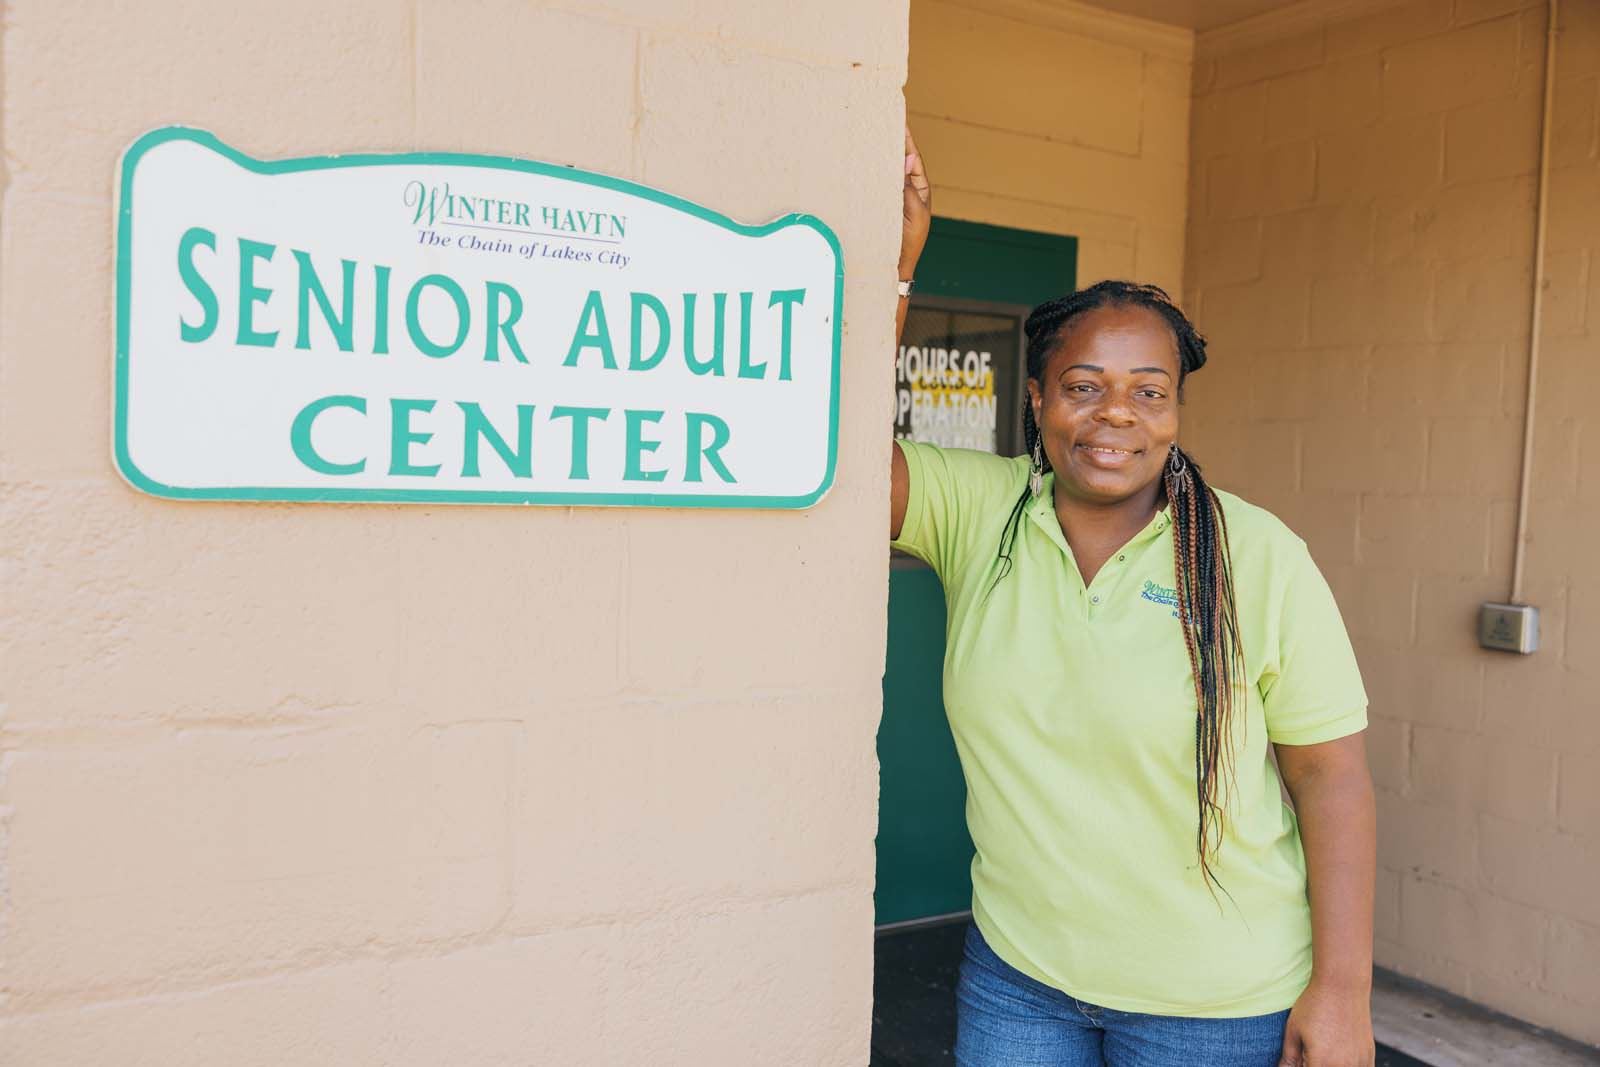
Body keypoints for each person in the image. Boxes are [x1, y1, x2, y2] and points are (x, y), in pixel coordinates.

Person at [891, 128, 1378, 1067]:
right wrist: (899, 269)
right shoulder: (980, 510)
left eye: (1149, 392)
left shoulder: (1258, 556)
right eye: (1085, 385)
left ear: (1176, 410)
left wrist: (1344, 991)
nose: (1117, 413)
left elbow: (1332, 778)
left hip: (1215, 1006)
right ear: (1036, 398)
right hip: (1018, 982)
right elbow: (834, 463)